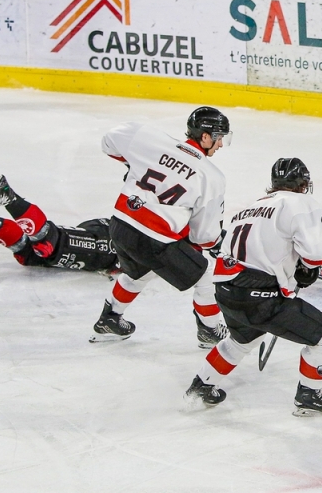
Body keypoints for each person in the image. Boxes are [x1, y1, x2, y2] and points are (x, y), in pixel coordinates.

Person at [184, 158, 322, 417]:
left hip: (226, 291)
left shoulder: (251, 208)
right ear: (303, 184)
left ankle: (200, 387)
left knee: (242, 339)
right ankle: (310, 394)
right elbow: (314, 256)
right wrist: (306, 269)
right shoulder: (301, 203)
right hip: (261, 297)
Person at [91, 107, 230, 345]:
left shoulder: (154, 141)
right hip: (153, 238)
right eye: (219, 138)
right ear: (205, 136)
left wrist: (132, 164)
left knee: (139, 270)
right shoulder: (210, 176)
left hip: (120, 225)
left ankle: (110, 318)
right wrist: (215, 242)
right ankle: (209, 330)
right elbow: (204, 236)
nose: (221, 144)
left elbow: (110, 140)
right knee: (206, 274)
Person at [0, 164, 119, 273]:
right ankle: (6, 194)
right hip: (117, 243)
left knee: (29, 255)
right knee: (50, 246)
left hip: (117, 244)